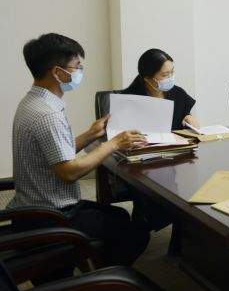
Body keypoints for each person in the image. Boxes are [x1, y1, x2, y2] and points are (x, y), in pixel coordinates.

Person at [10, 33, 150, 266]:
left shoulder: (32, 102)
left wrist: (90, 135)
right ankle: (106, 278)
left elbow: (55, 154)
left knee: (117, 216)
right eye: (77, 66)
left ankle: (96, 265)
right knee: (134, 230)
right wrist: (113, 144)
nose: (80, 72)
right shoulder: (48, 115)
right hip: (50, 217)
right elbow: (69, 172)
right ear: (57, 72)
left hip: (30, 210)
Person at [121, 49, 197, 130]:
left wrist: (188, 118)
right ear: (147, 78)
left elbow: (184, 119)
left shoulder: (178, 94)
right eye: (165, 75)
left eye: (172, 71)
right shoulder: (129, 100)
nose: (170, 77)